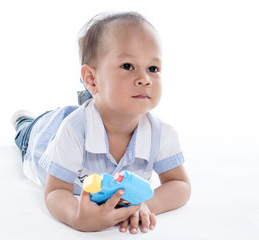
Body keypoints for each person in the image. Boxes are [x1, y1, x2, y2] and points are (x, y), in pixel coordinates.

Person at [12, 11, 191, 234]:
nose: (145, 78)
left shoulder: (161, 134)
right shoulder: (74, 131)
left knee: (102, 103)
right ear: (91, 78)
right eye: (127, 66)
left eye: (153, 69)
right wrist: (76, 217)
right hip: (43, 136)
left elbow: (180, 185)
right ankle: (23, 122)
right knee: (28, 132)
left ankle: (93, 98)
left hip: (94, 106)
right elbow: (56, 191)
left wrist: (143, 206)